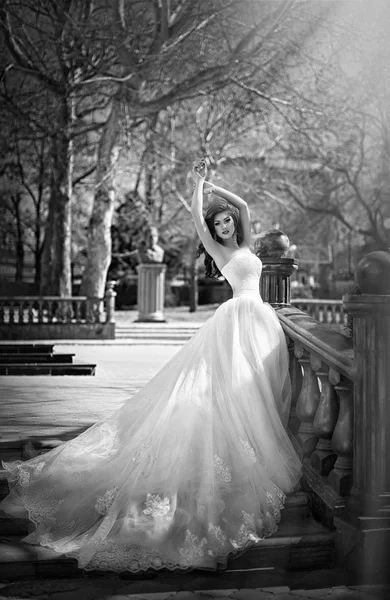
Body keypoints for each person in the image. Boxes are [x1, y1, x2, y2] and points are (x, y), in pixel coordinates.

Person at [0, 160, 302, 574]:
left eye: (229, 221)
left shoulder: (247, 240)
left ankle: (253, 442)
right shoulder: (218, 249)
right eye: (221, 224)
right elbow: (197, 217)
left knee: (255, 389)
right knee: (233, 392)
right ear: (215, 233)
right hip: (235, 322)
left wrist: (216, 187)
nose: (227, 225)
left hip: (259, 321)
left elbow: (245, 204)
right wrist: (198, 188)